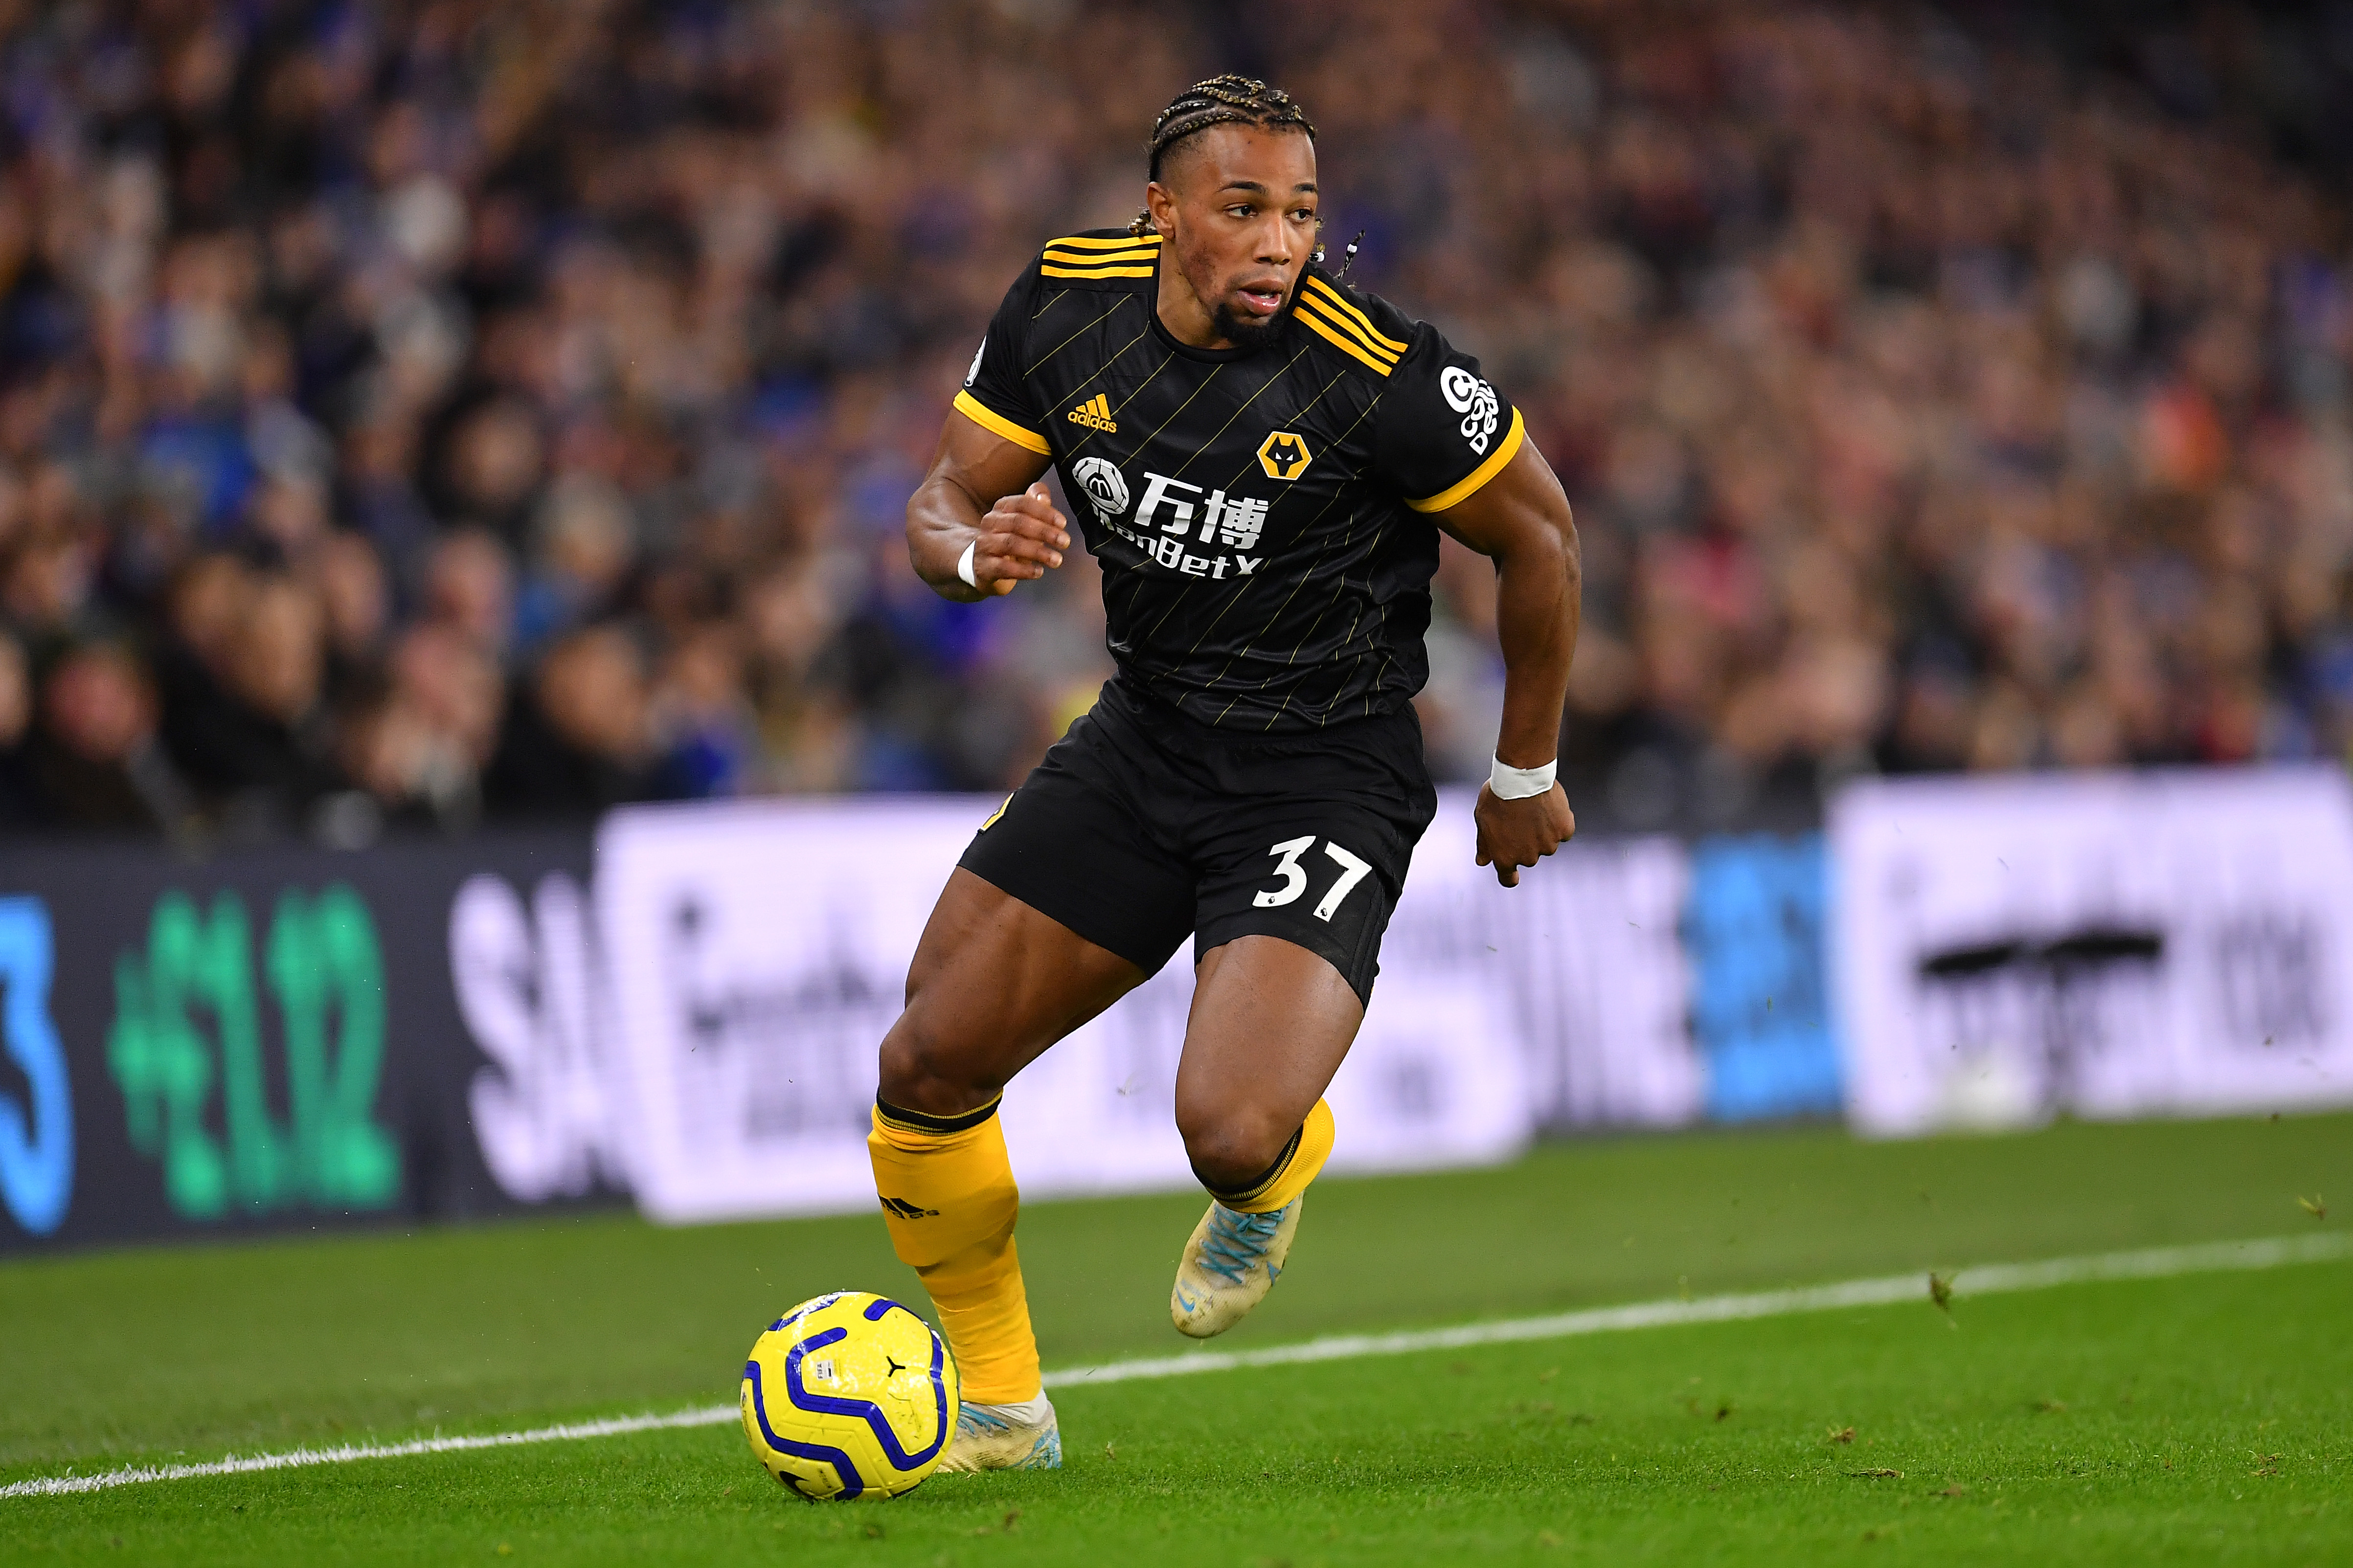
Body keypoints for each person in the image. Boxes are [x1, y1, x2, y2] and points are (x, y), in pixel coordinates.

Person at [870, 77, 1581, 1473]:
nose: (1278, 242)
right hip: (1145, 742)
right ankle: (1005, 1412)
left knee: (1228, 1127)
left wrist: (1524, 767)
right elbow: (939, 500)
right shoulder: (1065, 307)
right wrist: (969, 555)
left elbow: (1541, 539)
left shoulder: (1374, 370)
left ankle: (1273, 1174)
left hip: (1321, 772)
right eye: (1244, 209)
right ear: (1161, 215)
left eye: (1302, 212)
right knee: (928, 1059)